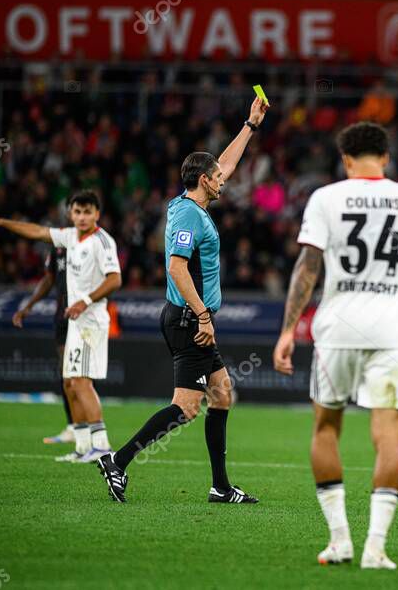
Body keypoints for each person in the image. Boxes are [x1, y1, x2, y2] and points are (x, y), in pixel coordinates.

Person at [272, 122, 398, 569]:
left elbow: (307, 267)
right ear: (387, 159)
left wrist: (286, 330)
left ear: (346, 159)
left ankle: (339, 542)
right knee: (387, 436)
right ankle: (375, 547)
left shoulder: (326, 198)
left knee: (326, 428)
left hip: (338, 330)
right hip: (394, 334)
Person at [96, 97, 268, 505]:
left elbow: (223, 163)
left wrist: (250, 124)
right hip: (190, 320)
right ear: (204, 181)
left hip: (190, 317)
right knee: (187, 406)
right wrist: (204, 316)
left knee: (222, 392)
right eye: (216, 177)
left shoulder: (187, 203)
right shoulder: (190, 215)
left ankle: (220, 487)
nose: (224, 179)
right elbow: (176, 269)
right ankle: (118, 461)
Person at [0, 190, 122, 462]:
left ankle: (101, 446)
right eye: (77, 211)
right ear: (70, 213)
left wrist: (85, 301)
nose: (81, 217)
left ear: (97, 214)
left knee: (81, 382)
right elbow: (37, 231)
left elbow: (115, 280)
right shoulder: (69, 237)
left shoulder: (103, 241)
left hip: (91, 320)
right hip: (75, 321)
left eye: (87, 211)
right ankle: (81, 447)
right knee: (69, 383)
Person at [13, 240, 74, 444]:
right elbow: (49, 279)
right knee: (66, 373)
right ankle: (74, 426)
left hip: (85, 317)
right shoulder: (58, 247)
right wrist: (29, 305)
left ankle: (90, 430)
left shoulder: (95, 244)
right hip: (62, 316)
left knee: (80, 377)